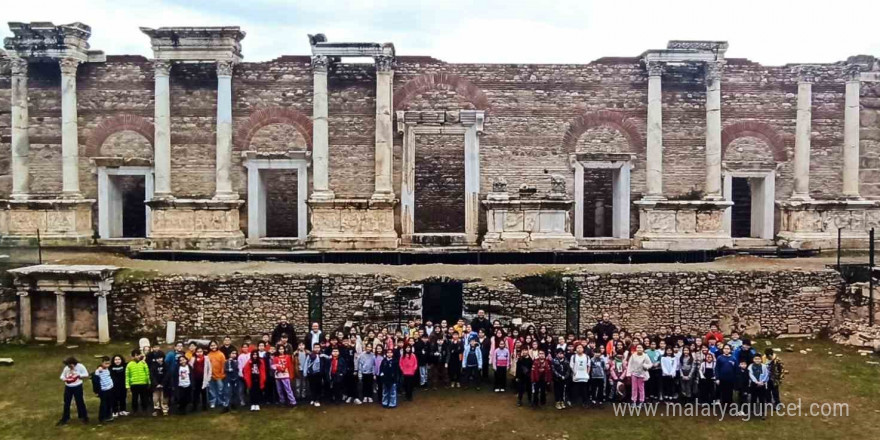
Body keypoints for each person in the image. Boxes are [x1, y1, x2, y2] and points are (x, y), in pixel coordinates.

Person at [57, 357, 89, 425]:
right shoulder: (66, 368)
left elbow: (86, 374)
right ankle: (65, 418)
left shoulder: (80, 366)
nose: (69, 367)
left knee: (80, 401)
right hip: (68, 387)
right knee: (67, 403)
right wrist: (65, 379)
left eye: (70, 365)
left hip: (78, 386)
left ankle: (84, 416)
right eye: (68, 365)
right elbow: (62, 376)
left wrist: (78, 375)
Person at [125, 349, 152, 415]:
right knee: (134, 398)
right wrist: (127, 386)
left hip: (143, 384)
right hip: (134, 384)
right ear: (132, 357)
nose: (138, 356)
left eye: (139, 355)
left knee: (144, 398)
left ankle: (144, 410)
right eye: (136, 355)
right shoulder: (129, 365)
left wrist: (149, 382)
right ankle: (135, 410)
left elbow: (147, 373)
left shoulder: (143, 363)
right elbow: (127, 376)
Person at [206, 341, 228, 411]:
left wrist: (222, 374)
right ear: (209, 347)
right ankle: (213, 402)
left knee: (220, 389)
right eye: (211, 346)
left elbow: (223, 365)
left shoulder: (221, 354)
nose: (213, 347)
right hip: (211, 375)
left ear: (217, 346)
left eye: (214, 345)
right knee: (211, 390)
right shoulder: (208, 355)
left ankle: (221, 401)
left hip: (219, 375)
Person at [92, 357, 114, 423]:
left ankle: (108, 416)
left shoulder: (108, 369)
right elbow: (95, 380)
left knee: (109, 403)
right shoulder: (98, 371)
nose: (107, 365)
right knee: (103, 404)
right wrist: (97, 391)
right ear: (102, 363)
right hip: (103, 390)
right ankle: (102, 418)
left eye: (108, 363)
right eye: (105, 363)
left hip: (110, 388)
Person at [188, 346, 210, 412]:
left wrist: (208, 377)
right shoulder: (193, 359)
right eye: (198, 352)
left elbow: (209, 368)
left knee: (204, 393)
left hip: (203, 378)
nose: (199, 353)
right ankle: (194, 406)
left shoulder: (206, 358)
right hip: (195, 378)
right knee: (195, 393)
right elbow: (190, 368)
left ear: (203, 352)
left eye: (201, 352)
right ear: (195, 352)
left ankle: (204, 406)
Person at [748, 354, 770, 419]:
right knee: (753, 398)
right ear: (753, 360)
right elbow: (750, 375)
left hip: (762, 385)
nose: (757, 360)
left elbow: (766, 375)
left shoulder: (764, 366)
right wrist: (756, 382)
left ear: (761, 360)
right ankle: (752, 410)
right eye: (755, 359)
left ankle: (763, 413)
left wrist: (762, 382)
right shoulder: (750, 366)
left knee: (762, 399)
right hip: (754, 384)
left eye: (758, 359)